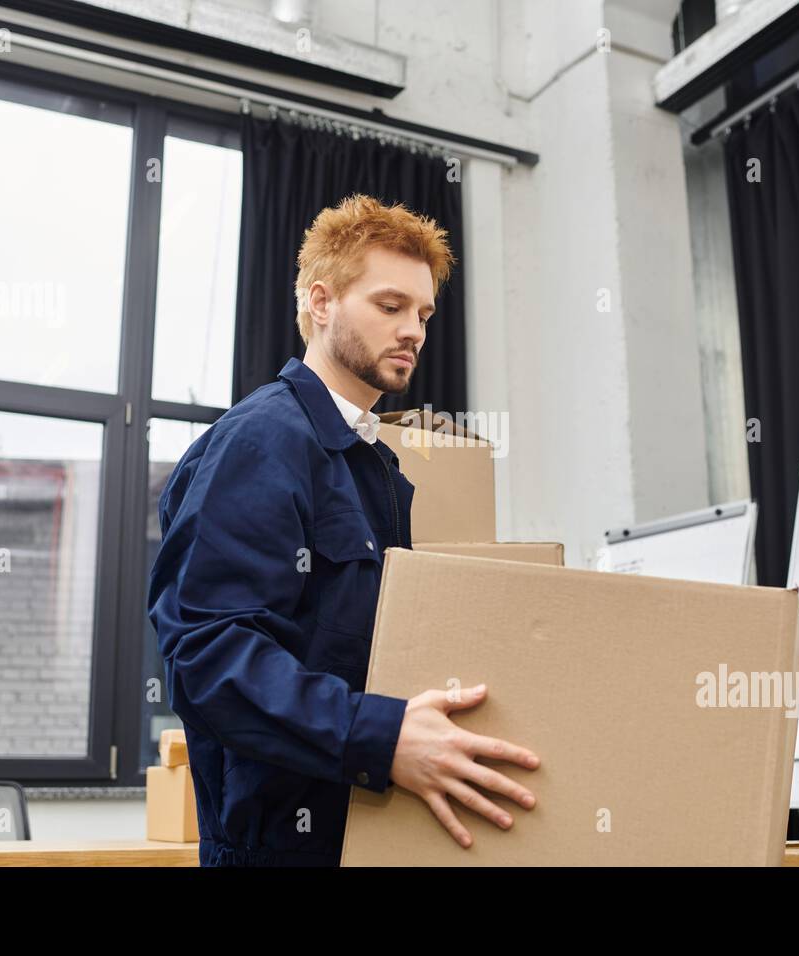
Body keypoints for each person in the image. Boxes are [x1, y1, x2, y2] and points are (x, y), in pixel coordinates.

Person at [148, 194, 540, 867]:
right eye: (390, 306)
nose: (414, 330)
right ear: (321, 303)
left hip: (368, 837)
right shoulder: (262, 442)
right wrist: (382, 738)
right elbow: (209, 656)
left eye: (423, 313)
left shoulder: (374, 464)